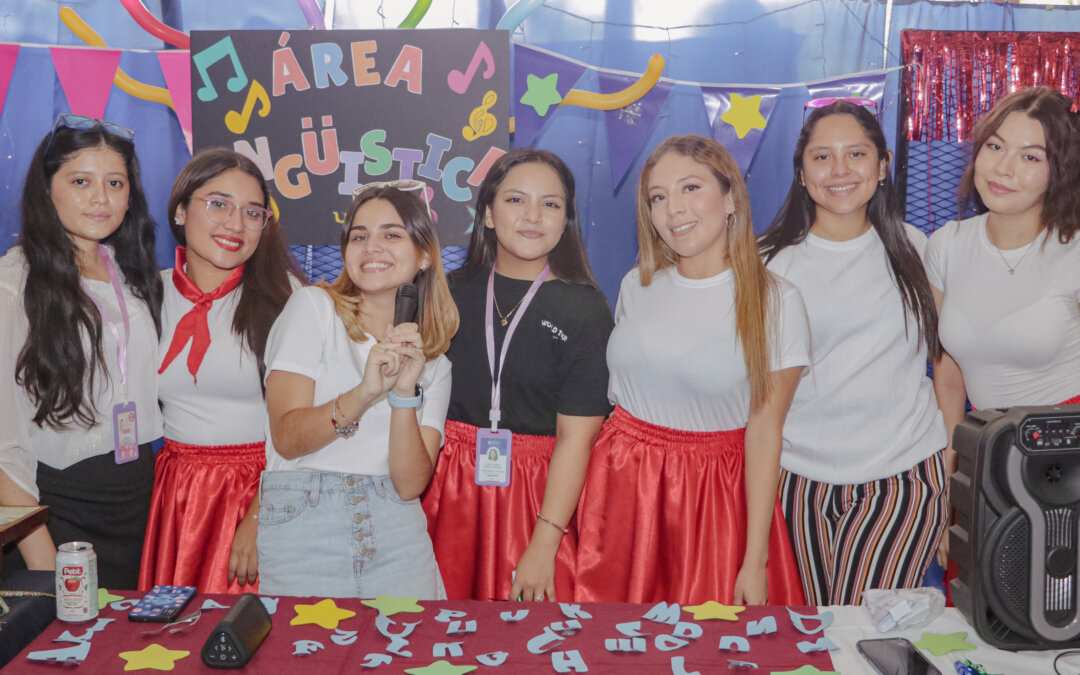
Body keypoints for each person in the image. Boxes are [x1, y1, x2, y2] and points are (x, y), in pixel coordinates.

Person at [575, 134, 808, 605]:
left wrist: (755, 557)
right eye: (658, 198)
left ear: (729, 198)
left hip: (710, 501)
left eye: (690, 188)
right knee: (612, 642)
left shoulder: (775, 301)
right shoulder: (636, 285)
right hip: (619, 490)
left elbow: (765, 435)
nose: (673, 210)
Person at [758, 100, 949, 605]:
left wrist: (953, 478)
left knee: (863, 625)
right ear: (802, 173)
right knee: (819, 630)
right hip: (797, 480)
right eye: (822, 157)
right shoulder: (766, 262)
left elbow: (949, 367)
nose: (839, 171)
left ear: (883, 165)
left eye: (856, 154)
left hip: (903, 475)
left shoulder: (917, 250)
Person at [422, 148, 613, 603]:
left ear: (565, 219)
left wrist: (545, 544)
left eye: (550, 204)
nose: (532, 216)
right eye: (515, 201)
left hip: (539, 495)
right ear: (487, 214)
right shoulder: (448, 293)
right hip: (445, 488)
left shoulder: (584, 307)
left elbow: (576, 439)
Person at [257, 182, 458, 598]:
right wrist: (365, 392)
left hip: (398, 536)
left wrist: (404, 392)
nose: (372, 246)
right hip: (303, 527)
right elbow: (288, 438)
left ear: (423, 255)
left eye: (391, 234)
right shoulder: (313, 308)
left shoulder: (434, 362)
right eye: (359, 236)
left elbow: (409, 485)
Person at [0, 115, 162, 589]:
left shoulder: (131, 274)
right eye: (80, 181)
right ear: (45, 188)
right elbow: (4, 443)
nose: (101, 198)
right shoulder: (15, 284)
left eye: (115, 182)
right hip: (55, 507)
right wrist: (45, 560)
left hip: (138, 499)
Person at [925, 86, 1080, 565]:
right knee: (985, 610)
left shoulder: (1073, 249)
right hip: (987, 453)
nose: (1004, 168)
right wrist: (955, 487)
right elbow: (948, 378)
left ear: (1058, 170)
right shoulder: (947, 244)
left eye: (1030, 155)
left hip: (1067, 455)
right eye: (995, 146)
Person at [139, 148, 305, 593]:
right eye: (218, 204)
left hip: (260, 488)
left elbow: (305, 427)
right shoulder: (143, 297)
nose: (235, 224)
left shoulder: (291, 300)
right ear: (180, 210)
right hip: (177, 493)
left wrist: (258, 514)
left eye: (253, 213)